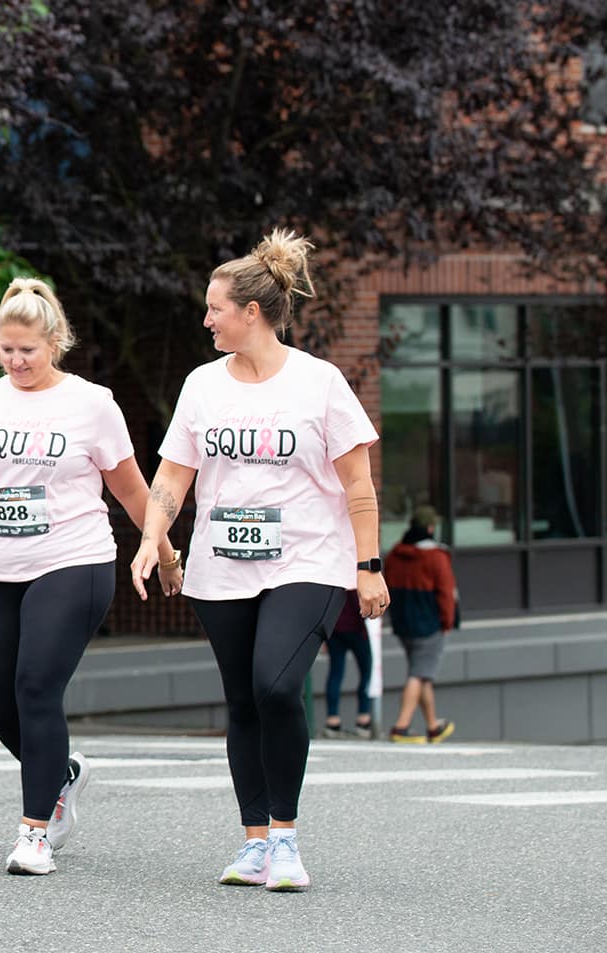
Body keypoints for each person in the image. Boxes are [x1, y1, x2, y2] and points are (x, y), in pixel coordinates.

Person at [129, 230, 387, 892]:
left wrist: (370, 565)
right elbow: (173, 477)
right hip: (223, 567)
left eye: (215, 308)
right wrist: (152, 536)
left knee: (277, 685)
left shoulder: (319, 383)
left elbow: (358, 485)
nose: (206, 319)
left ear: (252, 312)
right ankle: (253, 844)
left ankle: (286, 839)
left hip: (308, 560)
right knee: (244, 700)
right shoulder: (202, 385)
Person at [0, 278, 182, 876]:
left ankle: (35, 831)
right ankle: (61, 771)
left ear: (55, 342)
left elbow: (131, 489)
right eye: (6, 351)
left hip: (73, 558)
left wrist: (164, 553)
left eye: (28, 351)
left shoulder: (93, 404)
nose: (16, 362)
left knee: (36, 685)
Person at [385, 504, 458, 744]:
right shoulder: (436, 557)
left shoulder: (395, 554)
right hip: (429, 623)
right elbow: (446, 593)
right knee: (419, 673)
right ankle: (401, 727)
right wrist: (447, 621)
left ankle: (432, 725)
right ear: (430, 528)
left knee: (422, 672)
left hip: (403, 623)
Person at [320, 591, 374, 738]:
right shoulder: (358, 572)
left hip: (335, 629)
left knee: (335, 672)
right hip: (357, 628)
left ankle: (333, 719)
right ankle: (363, 717)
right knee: (366, 671)